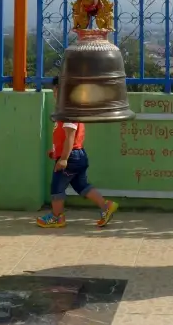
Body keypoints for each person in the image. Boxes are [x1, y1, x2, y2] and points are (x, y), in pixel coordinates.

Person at [37, 76, 118, 228]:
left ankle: (57, 217)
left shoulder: (69, 111)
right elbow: (64, 138)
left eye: (56, 88)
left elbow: (70, 136)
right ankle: (106, 205)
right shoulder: (68, 109)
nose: (54, 91)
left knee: (57, 187)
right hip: (78, 155)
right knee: (81, 185)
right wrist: (55, 152)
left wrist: (63, 159)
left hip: (71, 157)